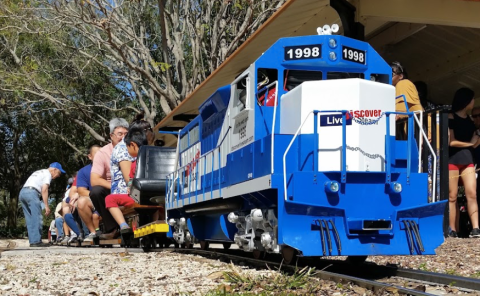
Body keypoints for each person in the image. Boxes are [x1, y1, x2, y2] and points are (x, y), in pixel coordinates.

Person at [448, 87, 480, 238]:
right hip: (453, 160)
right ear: (466, 100)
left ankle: (475, 228)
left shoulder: (470, 120)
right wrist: (471, 144)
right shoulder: (451, 117)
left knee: (471, 193)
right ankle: (452, 229)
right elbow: (451, 142)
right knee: (452, 196)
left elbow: (475, 139)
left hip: (468, 160)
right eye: (472, 99)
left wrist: (475, 141)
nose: (473, 102)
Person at [90, 118, 129, 240]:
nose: (123, 137)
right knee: (96, 192)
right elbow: (94, 180)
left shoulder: (132, 147)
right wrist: (116, 186)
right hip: (111, 187)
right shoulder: (102, 153)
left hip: (131, 185)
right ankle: (112, 229)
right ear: (111, 136)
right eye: (119, 134)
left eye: (126, 134)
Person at [105, 127, 146, 233]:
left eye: (127, 147)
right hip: (153, 196)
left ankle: (123, 225)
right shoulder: (153, 156)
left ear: (132, 145)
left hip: (138, 197)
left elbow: (130, 179)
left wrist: (130, 187)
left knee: (109, 199)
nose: (126, 150)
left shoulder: (134, 164)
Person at [20, 162, 65, 247]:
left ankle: (33, 241)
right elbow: (44, 189)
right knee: (37, 217)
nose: (58, 176)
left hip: (23, 193)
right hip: (32, 193)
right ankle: (36, 241)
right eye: (58, 173)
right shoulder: (47, 174)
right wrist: (47, 206)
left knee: (30, 219)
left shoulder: (39, 172)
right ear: (54, 170)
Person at [75, 144, 103, 242]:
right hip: (95, 199)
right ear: (90, 157)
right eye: (97, 154)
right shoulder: (83, 171)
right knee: (81, 202)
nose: (101, 156)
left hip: (111, 197)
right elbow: (81, 191)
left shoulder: (111, 166)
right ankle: (93, 232)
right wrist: (98, 196)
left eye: (102, 153)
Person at [391, 61, 424, 139]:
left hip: (417, 132)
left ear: (400, 76)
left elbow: (399, 113)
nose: (388, 76)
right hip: (414, 130)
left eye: (391, 74)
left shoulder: (403, 83)